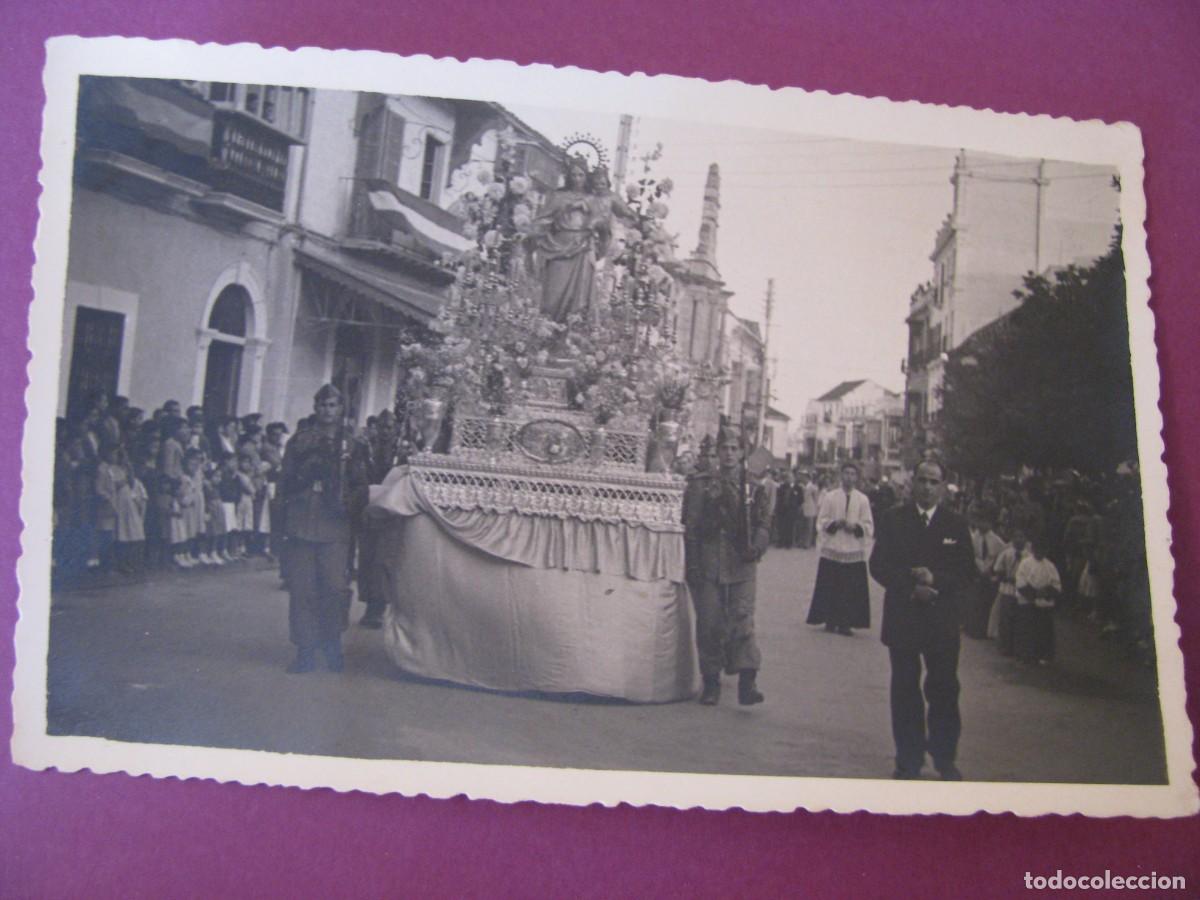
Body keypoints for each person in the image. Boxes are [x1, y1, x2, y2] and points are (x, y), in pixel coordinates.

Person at [870, 458, 975, 781]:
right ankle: (908, 758)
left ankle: (944, 757)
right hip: (904, 616)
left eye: (934, 482)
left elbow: (967, 573)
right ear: (912, 483)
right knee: (904, 688)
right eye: (923, 480)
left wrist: (936, 581)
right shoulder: (894, 519)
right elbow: (878, 566)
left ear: (943, 487)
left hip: (941, 621)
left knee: (944, 687)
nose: (928, 487)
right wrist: (911, 586)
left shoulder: (955, 525)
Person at [278, 384, 369, 674]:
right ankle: (305, 649)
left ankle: (331, 644)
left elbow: (361, 485)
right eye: (322, 405)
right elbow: (284, 481)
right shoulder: (299, 441)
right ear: (315, 408)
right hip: (302, 521)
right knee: (302, 589)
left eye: (332, 405)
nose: (327, 411)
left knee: (334, 588)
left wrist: (349, 505)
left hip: (335, 526)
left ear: (340, 408)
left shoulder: (352, 445)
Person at [682, 423, 774, 706]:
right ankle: (711, 683)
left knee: (742, 621)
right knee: (709, 625)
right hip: (709, 564)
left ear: (743, 452)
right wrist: (693, 565)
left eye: (735, 449)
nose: (729, 454)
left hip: (742, 565)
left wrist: (756, 546)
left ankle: (748, 682)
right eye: (724, 449)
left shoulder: (756, 486)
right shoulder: (700, 484)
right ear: (717, 453)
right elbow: (692, 528)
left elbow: (765, 523)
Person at [807, 462, 874, 636]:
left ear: (857, 477)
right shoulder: (830, 497)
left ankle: (846, 622)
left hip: (852, 549)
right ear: (841, 475)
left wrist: (856, 527)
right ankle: (830, 619)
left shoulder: (862, 499)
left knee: (849, 588)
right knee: (831, 585)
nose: (849, 477)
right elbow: (821, 520)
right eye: (846, 473)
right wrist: (834, 524)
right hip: (834, 547)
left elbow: (868, 524)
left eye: (853, 474)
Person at [529, 157, 597, 322]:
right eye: (574, 175)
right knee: (553, 293)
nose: (577, 179)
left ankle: (570, 331)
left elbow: (602, 223)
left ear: (586, 176)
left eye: (581, 175)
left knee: (578, 297)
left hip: (581, 247)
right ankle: (546, 328)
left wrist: (587, 209)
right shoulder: (558, 196)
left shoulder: (592, 199)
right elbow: (542, 219)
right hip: (557, 246)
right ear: (569, 176)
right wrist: (538, 230)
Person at [1014, 537, 1061, 665]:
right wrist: (1034, 594)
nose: (1041, 552)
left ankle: (1043, 655)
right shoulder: (1025, 563)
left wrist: (1045, 592)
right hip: (1028, 601)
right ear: (1033, 549)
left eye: (1043, 550)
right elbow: (1020, 582)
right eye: (1038, 549)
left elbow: (1056, 585)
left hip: (1044, 603)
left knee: (1044, 631)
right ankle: (1026, 655)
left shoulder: (1050, 566)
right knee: (1026, 629)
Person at [965, 507, 1007, 639]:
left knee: (986, 603)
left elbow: (1002, 558)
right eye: (979, 521)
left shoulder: (997, 541)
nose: (981, 525)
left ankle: (984, 630)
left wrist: (993, 572)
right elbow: (968, 554)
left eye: (985, 522)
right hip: (976, 573)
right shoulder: (973, 537)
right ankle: (972, 628)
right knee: (974, 602)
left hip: (989, 575)